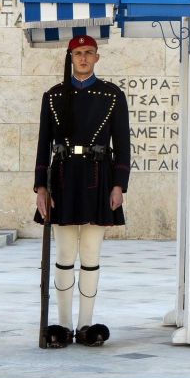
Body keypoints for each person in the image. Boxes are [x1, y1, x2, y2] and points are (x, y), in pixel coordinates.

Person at [33, 34, 130, 348]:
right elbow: (43, 145)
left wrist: (118, 186)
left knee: (90, 254)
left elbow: (123, 146)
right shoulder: (53, 96)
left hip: (98, 177)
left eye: (89, 53)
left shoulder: (112, 95)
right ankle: (62, 326)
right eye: (78, 54)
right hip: (62, 177)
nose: (84, 58)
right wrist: (41, 188)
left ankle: (86, 325)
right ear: (70, 57)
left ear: (97, 57)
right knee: (63, 254)